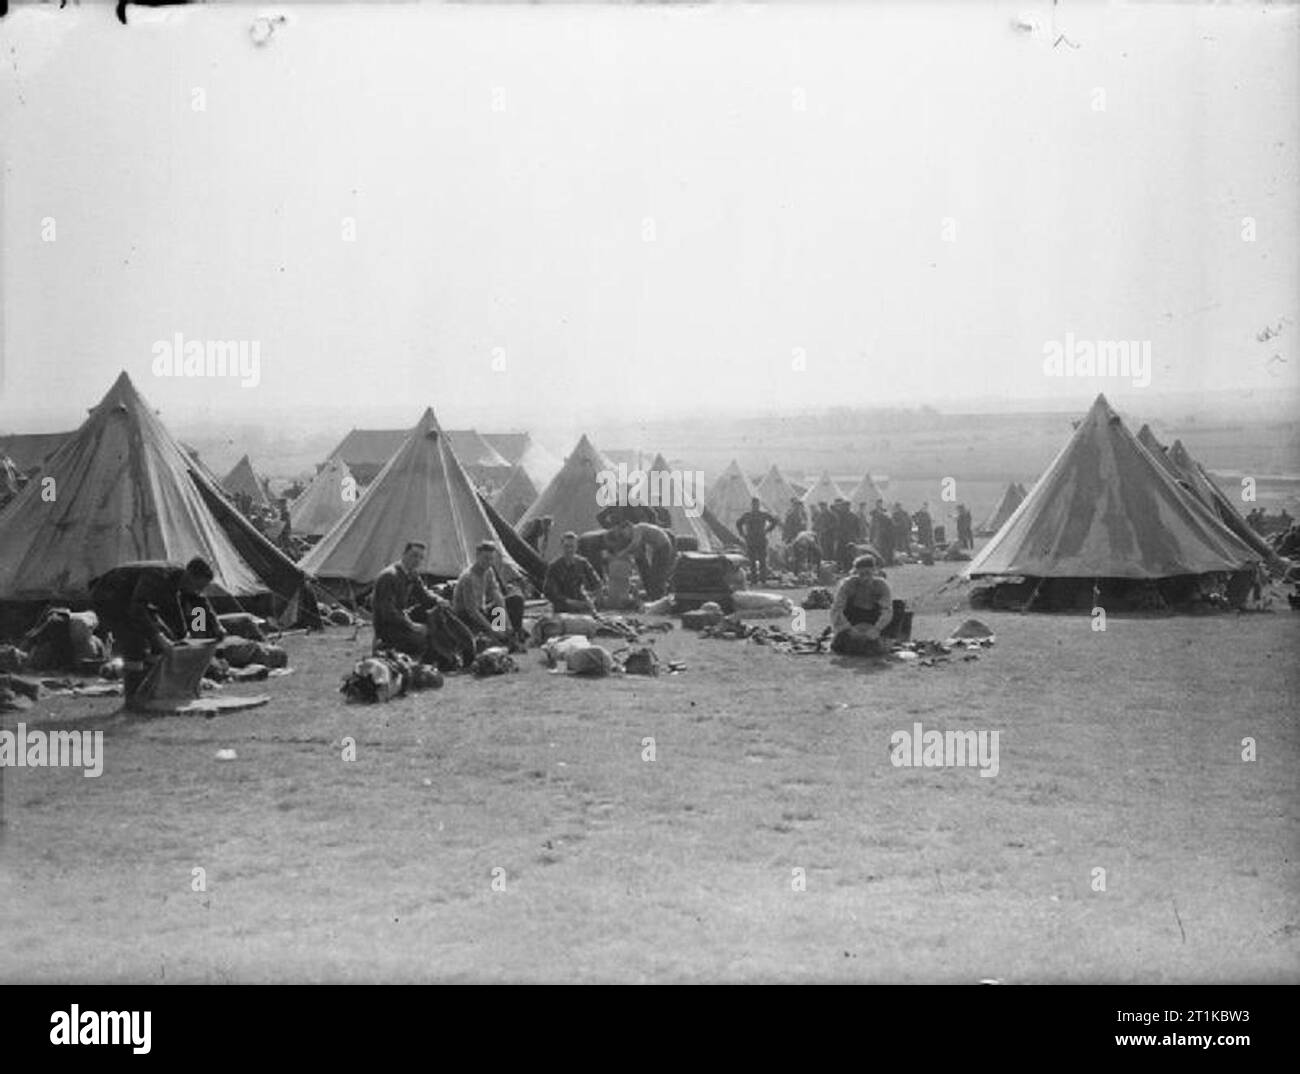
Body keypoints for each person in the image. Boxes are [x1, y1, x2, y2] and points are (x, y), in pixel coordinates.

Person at [89, 557, 228, 709]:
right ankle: (133, 701)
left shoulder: (185, 582)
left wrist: (214, 627)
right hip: (111, 598)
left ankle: (153, 690)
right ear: (188, 577)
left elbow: (198, 604)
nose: (199, 590)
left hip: (142, 601)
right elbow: (138, 610)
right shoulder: (157, 577)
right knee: (135, 643)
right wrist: (158, 637)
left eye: (203, 587)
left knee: (177, 634)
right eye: (198, 586)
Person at [372, 541, 475, 670]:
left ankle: (462, 649)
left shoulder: (412, 574)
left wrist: (439, 600)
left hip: (401, 619)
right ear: (404, 554)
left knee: (440, 614)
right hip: (388, 626)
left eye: (421, 557)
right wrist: (412, 625)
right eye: (414, 555)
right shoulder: (389, 576)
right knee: (427, 637)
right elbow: (387, 612)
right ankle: (449, 656)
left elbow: (424, 595)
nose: (417, 560)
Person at [452, 540, 524, 650]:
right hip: (466, 617)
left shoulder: (488, 571)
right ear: (477, 556)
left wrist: (506, 623)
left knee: (515, 600)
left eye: (491, 559)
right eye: (485, 558)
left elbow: (497, 596)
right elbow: (472, 612)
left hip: (482, 611)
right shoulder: (469, 578)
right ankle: (499, 638)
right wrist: (493, 630)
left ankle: (509, 635)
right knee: (487, 635)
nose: (488, 562)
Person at [829, 554, 893, 656]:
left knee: (898, 607)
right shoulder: (848, 584)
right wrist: (848, 628)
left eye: (868, 573)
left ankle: (887, 640)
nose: (865, 578)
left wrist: (876, 629)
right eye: (861, 574)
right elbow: (837, 609)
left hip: (874, 620)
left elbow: (887, 610)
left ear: (874, 571)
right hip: (852, 620)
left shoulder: (881, 586)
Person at [610, 520, 677, 599]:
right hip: (658, 548)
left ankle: (659, 596)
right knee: (655, 573)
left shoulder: (637, 529)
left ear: (628, 527)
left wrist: (622, 553)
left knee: (658, 573)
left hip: (663, 546)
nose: (624, 535)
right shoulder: (638, 531)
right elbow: (639, 551)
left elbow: (635, 544)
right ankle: (655, 594)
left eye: (623, 532)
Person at [543, 531, 603, 614]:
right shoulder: (554, 566)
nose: (569, 550)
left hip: (580, 600)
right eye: (566, 546)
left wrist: (595, 599)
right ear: (561, 547)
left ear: (576, 547)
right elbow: (549, 592)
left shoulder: (583, 563)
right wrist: (569, 602)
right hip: (562, 606)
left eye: (572, 546)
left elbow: (597, 583)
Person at [734, 497, 780, 585]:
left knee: (762, 561)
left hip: (761, 539)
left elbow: (774, 521)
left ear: (759, 505)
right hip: (751, 540)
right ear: (752, 505)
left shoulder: (763, 514)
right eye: (754, 504)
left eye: (757, 504)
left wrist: (767, 530)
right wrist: (742, 534)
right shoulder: (747, 515)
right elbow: (738, 523)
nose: (755, 506)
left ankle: (763, 580)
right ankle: (754, 580)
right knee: (752, 561)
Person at [833, 499, 862, 572]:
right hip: (842, 537)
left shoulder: (853, 516)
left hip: (849, 537)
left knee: (849, 554)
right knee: (841, 553)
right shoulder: (841, 515)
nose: (844, 508)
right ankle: (844, 567)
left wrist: (858, 537)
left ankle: (850, 567)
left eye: (846, 506)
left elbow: (857, 528)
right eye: (843, 506)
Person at [870, 500, 894, 566]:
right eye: (878, 503)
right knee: (879, 547)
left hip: (883, 533)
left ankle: (885, 561)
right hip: (878, 532)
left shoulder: (884, 513)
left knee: (884, 547)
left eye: (880, 503)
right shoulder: (875, 512)